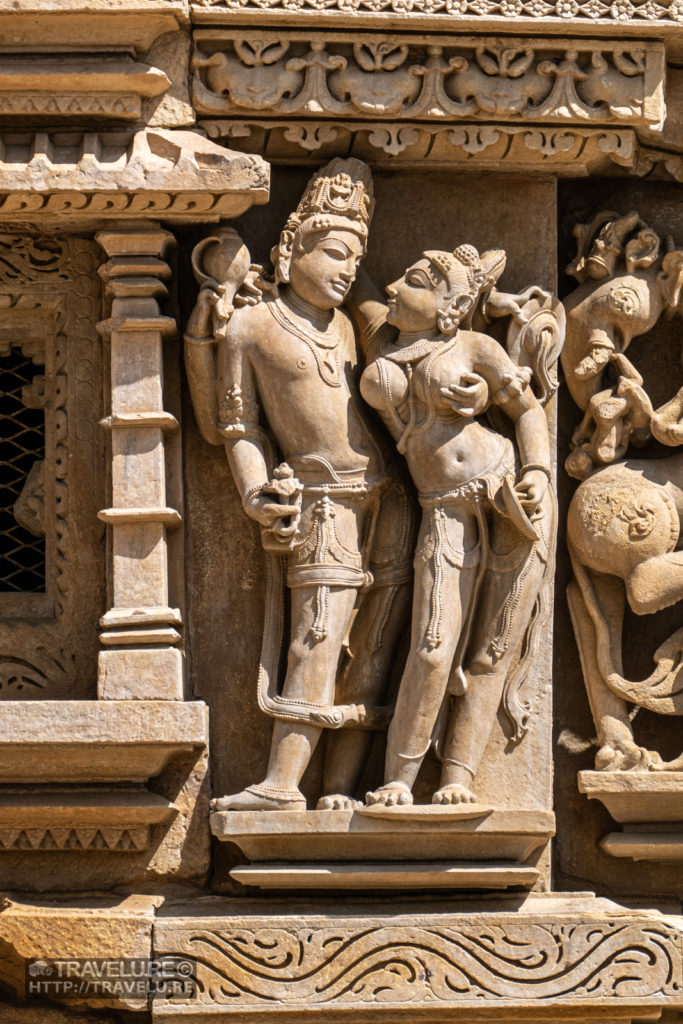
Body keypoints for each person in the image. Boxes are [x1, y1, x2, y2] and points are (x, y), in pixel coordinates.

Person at [184, 159, 414, 811]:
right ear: (290, 249)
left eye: (356, 257)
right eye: (335, 252)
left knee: (372, 643)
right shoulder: (252, 328)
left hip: (389, 499)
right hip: (320, 501)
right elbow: (236, 427)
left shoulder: (347, 326)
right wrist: (255, 492)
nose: (346, 268)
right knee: (316, 636)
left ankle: (339, 788)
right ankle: (283, 784)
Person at [352, 243, 557, 806]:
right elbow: (359, 279)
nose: (396, 287)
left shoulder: (473, 345)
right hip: (441, 506)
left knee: (492, 648)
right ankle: (398, 776)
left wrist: (538, 470)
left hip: (508, 493)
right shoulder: (380, 339)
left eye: (414, 281)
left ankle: (458, 777)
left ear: (452, 304)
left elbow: (529, 410)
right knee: (433, 645)